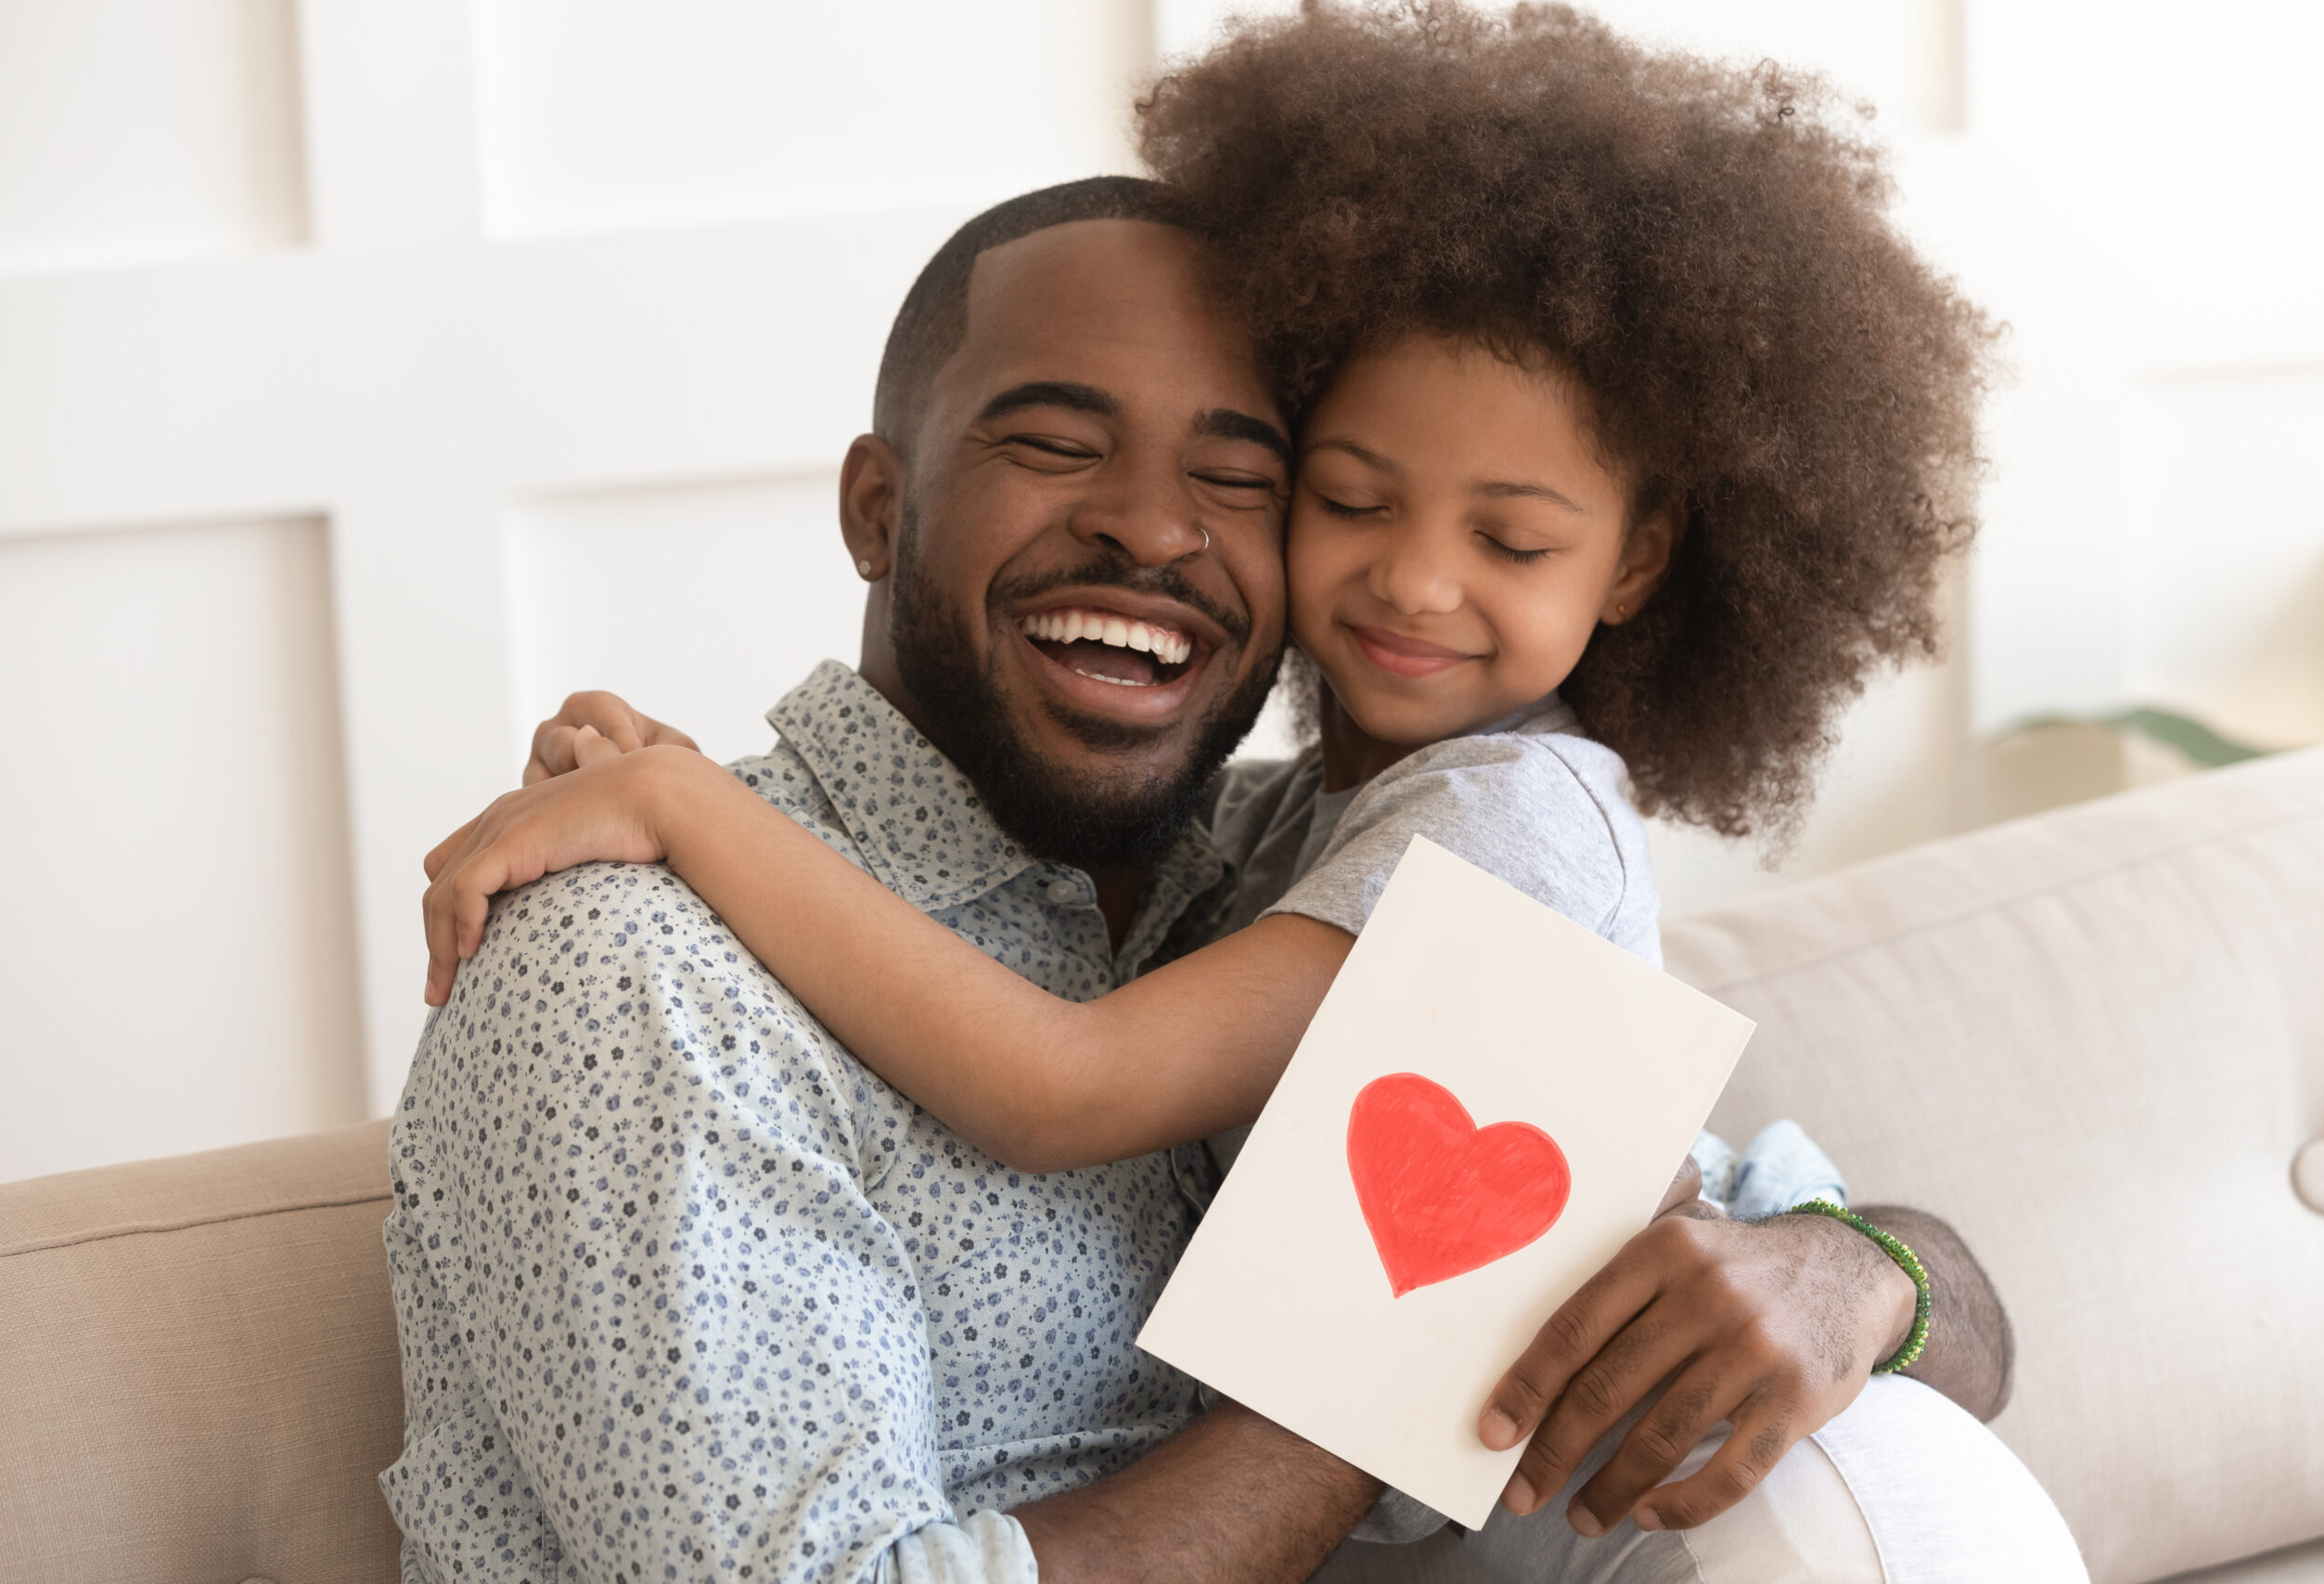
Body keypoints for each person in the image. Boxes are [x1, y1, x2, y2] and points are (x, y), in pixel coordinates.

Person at [386, 11, 2083, 1582]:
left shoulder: (1351, 851)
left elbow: (1859, 1274)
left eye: (1240, 474)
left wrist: (1860, 1270)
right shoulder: (638, 971)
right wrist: (1391, 1374)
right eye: (1055, 443)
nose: (1154, 526)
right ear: (876, 510)